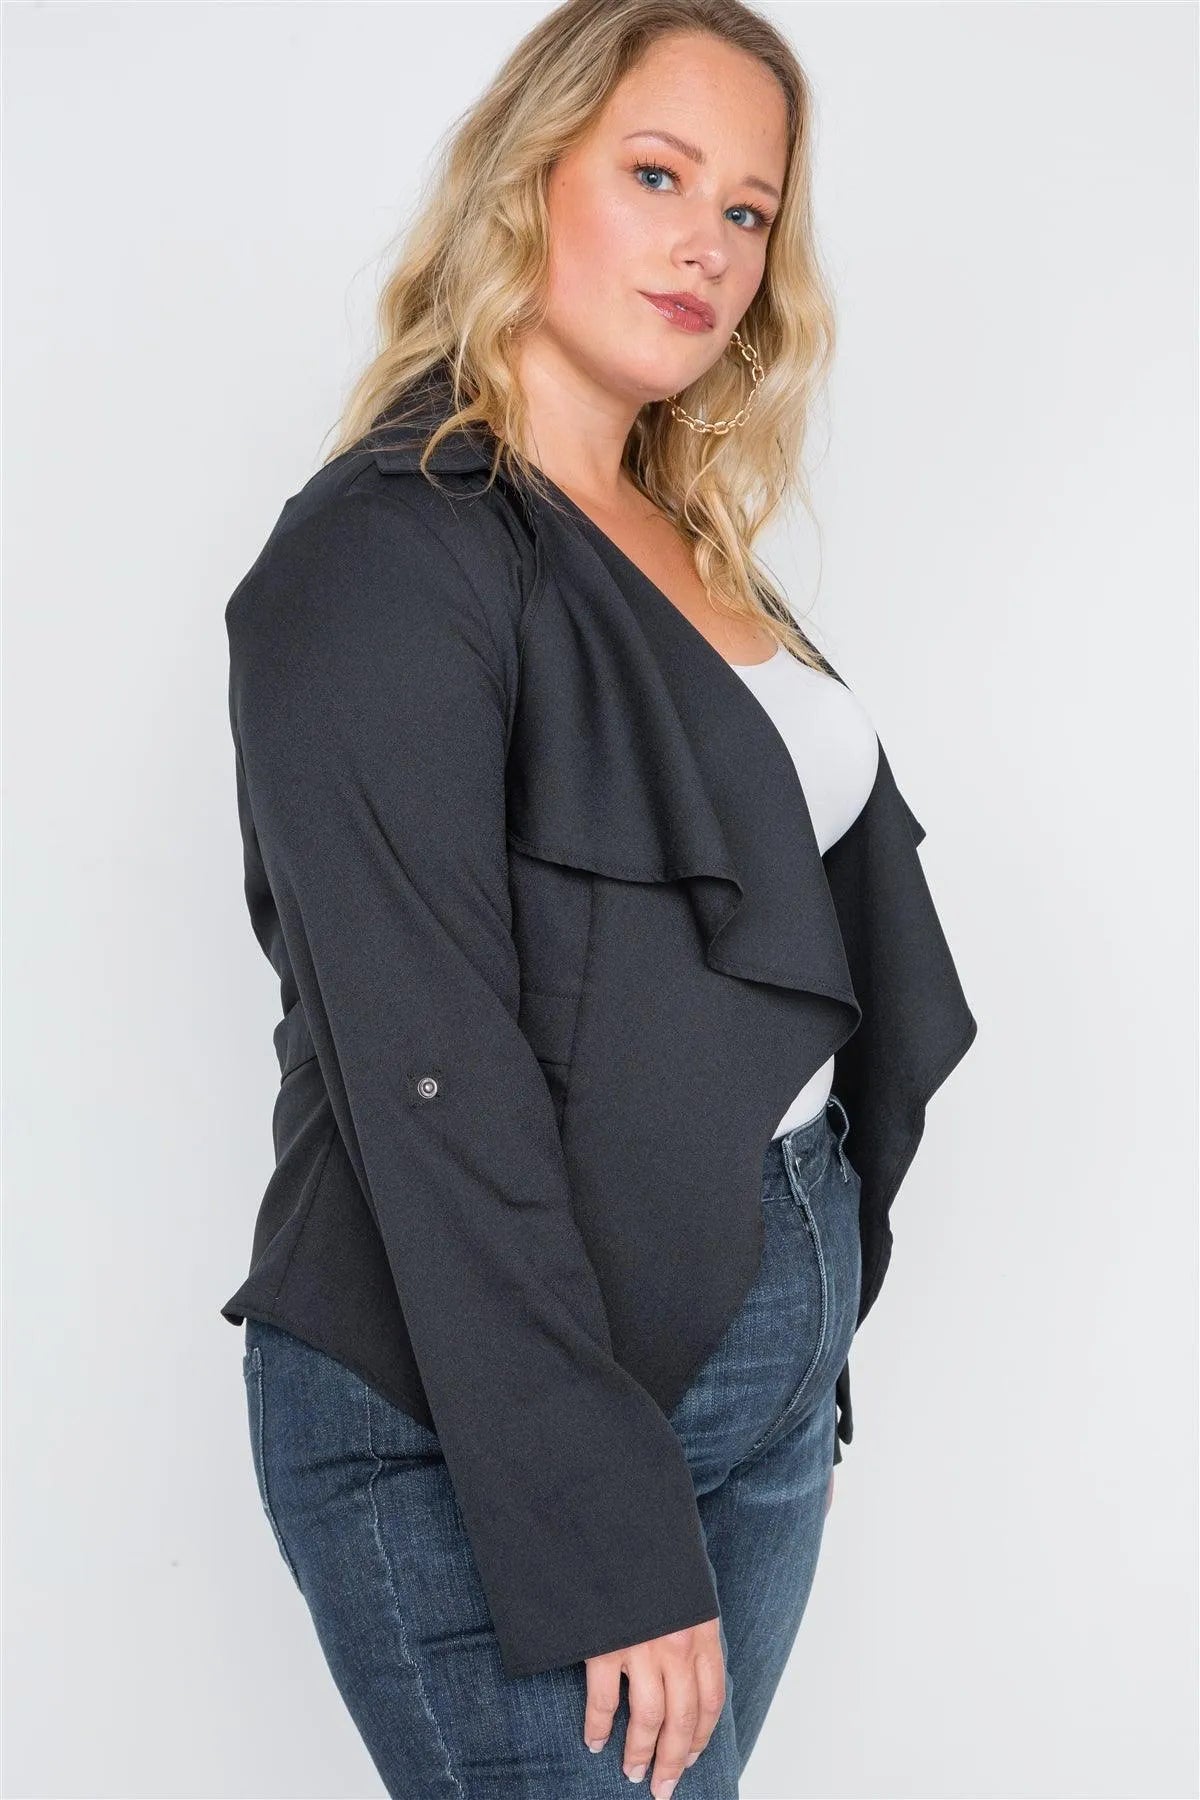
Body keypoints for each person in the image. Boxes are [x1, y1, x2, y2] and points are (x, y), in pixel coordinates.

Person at [220, 3, 977, 1795]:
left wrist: (802, 1331)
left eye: (748, 209)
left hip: (751, 1333)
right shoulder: (386, 553)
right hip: (487, 1395)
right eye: (656, 175)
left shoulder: (684, 536)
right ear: (527, 178)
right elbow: (433, 1081)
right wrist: (593, 1515)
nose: (708, 242)